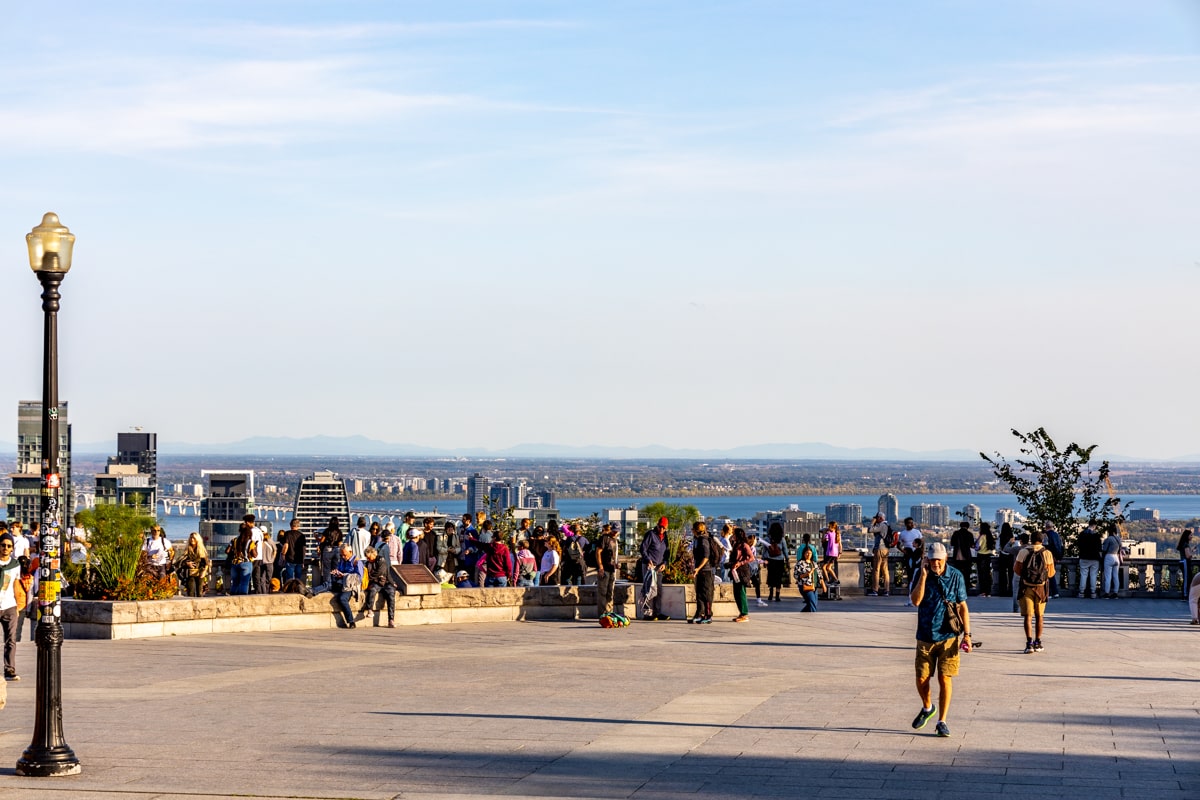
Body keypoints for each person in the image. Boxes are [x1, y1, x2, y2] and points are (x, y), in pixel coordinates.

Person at [909, 542, 971, 738]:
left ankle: (942, 721)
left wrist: (967, 635)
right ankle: (928, 707)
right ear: (927, 559)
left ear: (945, 559)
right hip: (926, 635)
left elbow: (962, 607)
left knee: (945, 678)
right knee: (922, 679)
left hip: (948, 636)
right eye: (932, 559)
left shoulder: (955, 576)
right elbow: (915, 601)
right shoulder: (922, 574)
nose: (936, 563)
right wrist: (924, 576)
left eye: (939, 560)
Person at [1015, 529, 1056, 653]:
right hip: (1041, 588)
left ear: (1030, 540)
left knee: (1028, 616)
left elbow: (1016, 569)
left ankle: (1029, 643)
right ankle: (1038, 642)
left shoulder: (1023, 551)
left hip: (1026, 587)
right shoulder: (1047, 553)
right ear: (1042, 540)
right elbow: (1051, 572)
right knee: (1040, 616)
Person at [0, 534, 24, 682]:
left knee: (11, 640)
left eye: (9, 546)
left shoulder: (15, 565)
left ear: (12, 549)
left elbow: (16, 585)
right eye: (3, 545)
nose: (5, 548)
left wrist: (18, 605)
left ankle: (10, 669)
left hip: (9, 606)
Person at [639, 517, 670, 621]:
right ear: (657, 525)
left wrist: (665, 563)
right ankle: (647, 613)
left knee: (658, 590)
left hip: (659, 567)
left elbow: (667, 553)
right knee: (648, 590)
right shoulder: (650, 535)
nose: (661, 529)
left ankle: (657, 612)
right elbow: (643, 549)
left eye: (664, 528)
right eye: (660, 527)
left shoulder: (665, 537)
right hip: (649, 566)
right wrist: (648, 559)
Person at [361, 541, 397, 628]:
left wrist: (371, 576)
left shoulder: (381, 560)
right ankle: (370, 610)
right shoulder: (367, 563)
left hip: (386, 582)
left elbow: (379, 572)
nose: (368, 559)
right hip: (376, 582)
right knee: (372, 590)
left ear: (374, 554)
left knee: (391, 596)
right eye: (367, 558)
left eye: (369, 557)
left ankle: (391, 619)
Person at [329, 543, 363, 629]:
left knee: (342, 598)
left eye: (344, 555)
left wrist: (344, 575)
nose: (343, 557)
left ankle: (351, 621)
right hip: (341, 582)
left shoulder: (356, 562)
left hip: (350, 586)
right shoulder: (342, 560)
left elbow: (359, 577)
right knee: (327, 585)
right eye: (341, 555)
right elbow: (340, 571)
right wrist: (336, 573)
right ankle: (312, 591)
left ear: (350, 552)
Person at [689, 521, 716, 624]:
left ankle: (708, 615)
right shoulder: (697, 540)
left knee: (706, 593)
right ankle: (699, 613)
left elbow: (706, 556)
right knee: (699, 593)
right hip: (700, 571)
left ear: (696, 530)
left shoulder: (703, 540)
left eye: (693, 529)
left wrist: (698, 568)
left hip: (706, 570)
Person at [729, 527, 754, 622]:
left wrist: (741, 563)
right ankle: (741, 612)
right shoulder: (736, 544)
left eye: (734, 534)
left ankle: (744, 613)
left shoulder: (744, 545)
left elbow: (751, 557)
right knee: (736, 592)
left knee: (741, 592)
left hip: (742, 570)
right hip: (735, 570)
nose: (733, 536)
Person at [595, 524, 620, 617]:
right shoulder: (604, 538)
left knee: (610, 592)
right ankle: (602, 613)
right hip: (604, 568)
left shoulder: (615, 540)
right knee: (603, 591)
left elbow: (614, 555)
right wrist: (600, 567)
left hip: (612, 568)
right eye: (614, 531)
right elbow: (598, 552)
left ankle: (609, 612)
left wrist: (617, 563)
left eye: (616, 531)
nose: (615, 533)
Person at [794, 543, 826, 612]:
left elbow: (820, 575)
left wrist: (823, 585)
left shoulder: (814, 563)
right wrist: (806, 574)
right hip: (805, 586)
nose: (808, 555)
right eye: (807, 553)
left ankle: (802, 613)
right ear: (804, 554)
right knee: (812, 603)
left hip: (814, 586)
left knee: (812, 604)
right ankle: (813, 618)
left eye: (810, 553)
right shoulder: (800, 563)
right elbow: (796, 575)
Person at [868, 513, 892, 597]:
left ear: (880, 518)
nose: (875, 519)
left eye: (877, 518)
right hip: (886, 549)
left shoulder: (882, 525)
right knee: (885, 570)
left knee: (876, 569)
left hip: (880, 548)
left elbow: (870, 530)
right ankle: (886, 590)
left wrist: (872, 522)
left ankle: (875, 589)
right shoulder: (887, 525)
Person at [179, 532, 210, 597]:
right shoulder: (187, 550)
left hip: (200, 573)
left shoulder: (201, 550)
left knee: (200, 593)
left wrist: (204, 572)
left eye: (194, 538)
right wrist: (187, 563)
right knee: (191, 592)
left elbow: (207, 563)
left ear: (197, 540)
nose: (192, 539)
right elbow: (180, 561)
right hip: (190, 574)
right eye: (191, 538)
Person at [764, 522, 789, 603]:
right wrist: (787, 560)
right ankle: (777, 595)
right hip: (780, 560)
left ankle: (771, 594)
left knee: (771, 576)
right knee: (778, 577)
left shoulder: (768, 539)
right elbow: (785, 550)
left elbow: (765, 550)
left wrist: (763, 559)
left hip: (770, 560)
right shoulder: (782, 539)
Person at [229, 522, 256, 596]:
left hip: (235, 563)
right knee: (244, 583)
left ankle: (232, 597)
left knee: (235, 583)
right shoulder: (250, 542)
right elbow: (255, 555)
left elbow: (227, 551)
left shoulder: (234, 540)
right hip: (246, 563)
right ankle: (243, 597)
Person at [1076, 525, 1102, 599]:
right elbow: (1099, 547)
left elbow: (1079, 545)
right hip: (1094, 558)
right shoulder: (1096, 535)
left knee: (1083, 575)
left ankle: (1081, 592)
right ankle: (1093, 592)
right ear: (1095, 526)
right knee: (1093, 575)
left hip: (1084, 557)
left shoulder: (1082, 534)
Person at [279, 518, 306, 584]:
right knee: (298, 578)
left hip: (290, 558)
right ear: (298, 526)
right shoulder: (302, 536)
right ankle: (297, 590)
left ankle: (289, 591)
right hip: (299, 559)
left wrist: (283, 554)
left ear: (291, 525)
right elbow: (304, 549)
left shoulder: (287, 534)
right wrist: (303, 560)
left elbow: (286, 545)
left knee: (289, 577)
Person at [950, 521, 975, 590]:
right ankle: (966, 587)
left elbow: (952, 543)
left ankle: (957, 586)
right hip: (966, 556)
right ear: (967, 527)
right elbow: (972, 545)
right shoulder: (969, 534)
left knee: (957, 573)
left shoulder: (956, 533)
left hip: (957, 556)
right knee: (967, 574)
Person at [898, 517, 923, 587]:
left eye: (912, 522)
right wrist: (903, 551)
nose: (912, 524)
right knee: (909, 571)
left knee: (917, 571)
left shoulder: (917, 532)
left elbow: (922, 542)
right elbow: (898, 545)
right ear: (906, 524)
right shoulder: (902, 533)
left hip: (917, 555)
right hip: (908, 555)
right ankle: (910, 586)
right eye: (910, 523)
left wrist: (922, 553)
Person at [1101, 525, 1124, 599]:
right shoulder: (1118, 539)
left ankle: (1107, 593)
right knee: (1115, 576)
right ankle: (1115, 593)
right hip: (1116, 557)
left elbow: (1104, 549)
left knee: (1108, 577)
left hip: (1109, 557)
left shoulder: (1108, 539)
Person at [1042, 523, 1064, 599]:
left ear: (1046, 527)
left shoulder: (1045, 535)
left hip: (1048, 556)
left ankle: (1049, 592)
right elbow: (1061, 546)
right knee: (1051, 574)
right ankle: (1055, 592)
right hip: (1055, 557)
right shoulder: (1057, 535)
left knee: (1047, 575)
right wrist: (1058, 557)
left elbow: (1046, 546)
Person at [975, 522, 995, 598]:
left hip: (981, 555)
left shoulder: (982, 536)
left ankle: (983, 592)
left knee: (981, 574)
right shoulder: (990, 536)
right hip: (988, 556)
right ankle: (988, 591)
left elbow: (977, 547)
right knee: (987, 574)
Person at [996, 522, 1016, 597]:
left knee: (1002, 574)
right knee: (1011, 574)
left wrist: (1001, 550)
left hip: (1002, 556)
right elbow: (1015, 546)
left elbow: (997, 547)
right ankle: (1011, 590)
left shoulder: (1000, 537)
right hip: (1010, 556)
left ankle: (1002, 590)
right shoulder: (1012, 537)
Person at [747, 533, 766, 607]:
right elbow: (753, 559)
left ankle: (759, 600)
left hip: (748, 568)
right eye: (755, 539)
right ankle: (759, 600)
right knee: (756, 584)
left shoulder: (748, 547)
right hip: (751, 569)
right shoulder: (752, 548)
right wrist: (763, 561)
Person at [820, 521, 841, 587]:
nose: (828, 528)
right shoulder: (838, 534)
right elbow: (840, 544)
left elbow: (823, 541)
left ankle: (828, 581)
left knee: (823, 567)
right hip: (835, 554)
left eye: (829, 526)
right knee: (829, 568)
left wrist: (824, 533)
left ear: (832, 527)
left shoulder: (828, 533)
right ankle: (836, 580)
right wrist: (839, 553)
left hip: (829, 553)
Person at [1177, 530, 1193, 601]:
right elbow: (1187, 555)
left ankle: (1185, 595)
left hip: (1183, 562)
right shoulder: (1186, 544)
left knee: (1187, 579)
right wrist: (1191, 555)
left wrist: (1191, 551)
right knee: (1187, 579)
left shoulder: (1184, 544)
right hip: (1185, 563)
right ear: (1187, 536)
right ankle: (1185, 595)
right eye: (1191, 535)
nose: (1192, 537)